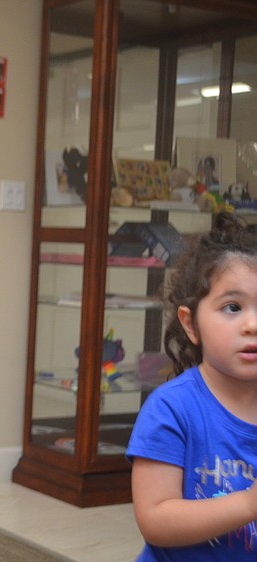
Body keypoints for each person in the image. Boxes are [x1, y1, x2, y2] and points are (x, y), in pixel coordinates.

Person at [126, 212, 257, 560]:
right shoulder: (171, 409)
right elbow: (155, 520)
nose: (252, 324)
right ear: (191, 324)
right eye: (233, 307)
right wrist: (248, 503)